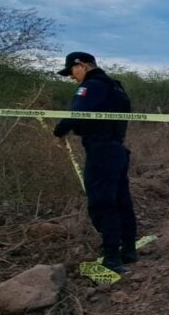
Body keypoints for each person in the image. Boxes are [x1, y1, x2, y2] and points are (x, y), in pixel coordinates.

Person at [53, 51, 138, 273]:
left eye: (72, 71)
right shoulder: (116, 86)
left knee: (102, 202)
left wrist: (59, 132)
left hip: (101, 151)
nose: (72, 77)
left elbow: (77, 112)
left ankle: (111, 258)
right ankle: (128, 250)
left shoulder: (93, 85)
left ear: (81, 65)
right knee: (121, 200)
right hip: (117, 149)